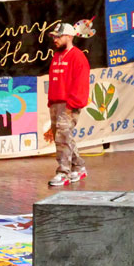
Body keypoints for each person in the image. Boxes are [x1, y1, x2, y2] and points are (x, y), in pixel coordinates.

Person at [44, 21, 91, 187]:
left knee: (62, 137)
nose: (55, 39)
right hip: (56, 103)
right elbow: (54, 81)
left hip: (70, 104)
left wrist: (74, 104)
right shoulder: (56, 56)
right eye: (54, 37)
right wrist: (51, 101)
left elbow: (81, 83)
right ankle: (79, 167)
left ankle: (63, 172)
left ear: (69, 37)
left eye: (58, 36)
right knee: (64, 137)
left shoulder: (78, 57)